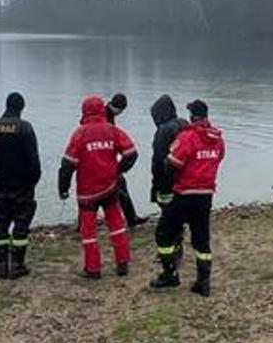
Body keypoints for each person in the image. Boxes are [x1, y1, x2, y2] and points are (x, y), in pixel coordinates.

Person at [149, 99, 224, 296]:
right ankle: (203, 282)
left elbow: (172, 163)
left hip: (184, 194)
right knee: (201, 240)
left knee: (163, 234)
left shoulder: (188, 137)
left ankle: (170, 274)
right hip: (206, 195)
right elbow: (218, 159)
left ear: (193, 116)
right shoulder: (218, 139)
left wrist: (167, 170)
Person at [59, 95, 139, 279]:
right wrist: (117, 170)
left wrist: (63, 189)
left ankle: (93, 269)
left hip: (87, 192)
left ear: (84, 111)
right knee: (117, 224)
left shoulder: (80, 133)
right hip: (110, 186)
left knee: (89, 232)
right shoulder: (112, 130)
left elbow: (67, 165)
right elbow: (132, 154)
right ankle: (122, 263)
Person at [0, 92, 41, 280]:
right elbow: (33, 159)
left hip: (1, 185)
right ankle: (17, 264)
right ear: (21, 108)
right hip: (22, 185)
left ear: (6, 105)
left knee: (1, 225)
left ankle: (1, 265)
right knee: (21, 226)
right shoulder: (24, 128)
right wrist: (33, 180)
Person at [104, 93, 149, 227]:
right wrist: (118, 168)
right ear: (118, 108)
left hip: (105, 159)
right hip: (105, 161)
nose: (120, 114)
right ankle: (131, 218)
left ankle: (131, 218)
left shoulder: (105, 114)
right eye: (121, 111)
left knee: (92, 191)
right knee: (120, 187)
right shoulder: (106, 117)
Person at [146, 94, 188, 208]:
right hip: (185, 175)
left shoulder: (163, 130)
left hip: (168, 177)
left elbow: (158, 158)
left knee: (166, 205)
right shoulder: (184, 123)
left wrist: (155, 184)